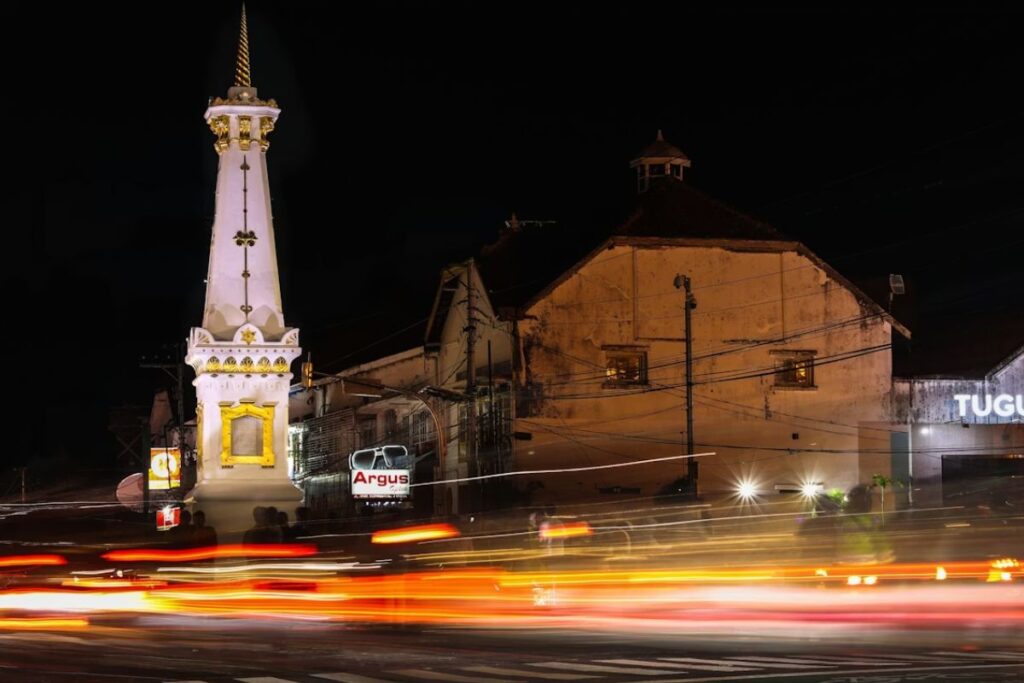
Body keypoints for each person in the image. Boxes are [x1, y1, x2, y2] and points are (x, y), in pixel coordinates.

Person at [836, 484, 894, 566]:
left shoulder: (841, 521)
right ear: (868, 502)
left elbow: (836, 540)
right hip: (868, 561)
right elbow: (880, 540)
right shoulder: (873, 520)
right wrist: (885, 556)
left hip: (845, 562)